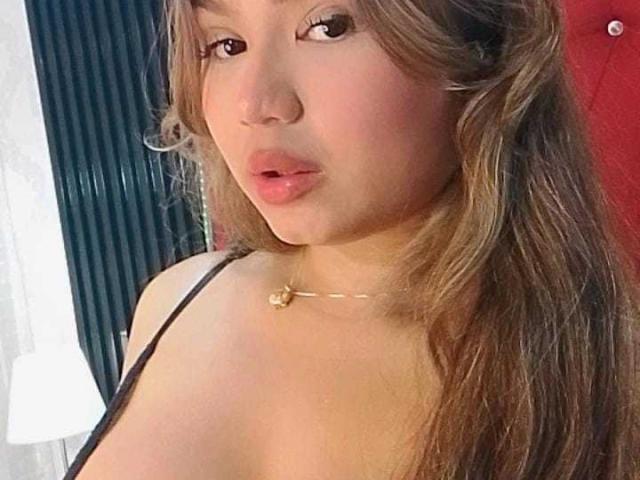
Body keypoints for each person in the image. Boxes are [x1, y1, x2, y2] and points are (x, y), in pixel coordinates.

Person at [65, 0, 640, 478]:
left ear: (479, 55)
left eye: (329, 27)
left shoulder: (581, 379)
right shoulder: (174, 300)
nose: (257, 105)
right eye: (225, 45)